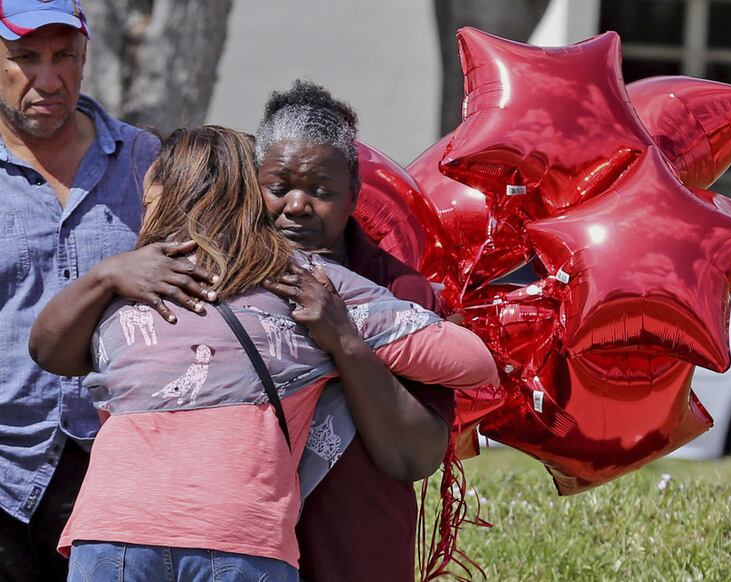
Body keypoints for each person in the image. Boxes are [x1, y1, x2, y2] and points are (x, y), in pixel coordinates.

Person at [29, 125, 499, 580]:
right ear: (254, 197)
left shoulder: (128, 287)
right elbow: (473, 363)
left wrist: (106, 275)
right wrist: (344, 335)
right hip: (240, 538)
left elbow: (48, 351)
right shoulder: (309, 283)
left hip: (112, 532)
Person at [254, 80, 461, 581]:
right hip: (241, 550)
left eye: (321, 191)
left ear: (354, 196)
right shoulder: (220, 280)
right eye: (279, 187)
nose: (297, 206)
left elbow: (415, 455)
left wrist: (344, 337)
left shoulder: (402, 291)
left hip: (357, 549)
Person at [0, 2, 179, 579]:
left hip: (119, 467)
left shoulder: (144, 161)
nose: (49, 80)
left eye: (65, 57)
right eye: (25, 58)